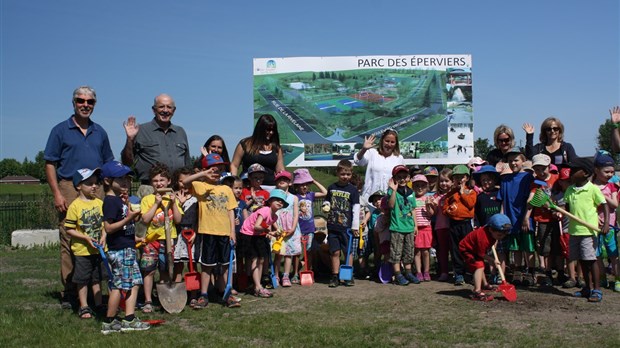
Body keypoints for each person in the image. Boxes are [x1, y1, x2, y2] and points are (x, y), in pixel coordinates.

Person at [44, 86, 113, 308]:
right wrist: (57, 193)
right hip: (69, 187)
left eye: (90, 102)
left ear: (94, 104)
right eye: (81, 101)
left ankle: (96, 290)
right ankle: (70, 291)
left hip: (96, 187)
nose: (85, 105)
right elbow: (50, 163)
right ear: (73, 103)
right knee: (69, 237)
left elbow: (108, 162)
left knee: (98, 236)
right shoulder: (60, 130)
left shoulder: (100, 132)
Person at [182, 153, 240, 308]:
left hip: (225, 233)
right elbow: (184, 182)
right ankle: (204, 294)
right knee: (207, 265)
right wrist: (202, 174)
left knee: (226, 265)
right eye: (212, 170)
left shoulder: (226, 189)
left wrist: (232, 232)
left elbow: (230, 211)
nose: (216, 172)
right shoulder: (200, 186)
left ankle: (227, 294)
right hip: (207, 232)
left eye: (219, 169)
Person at [100, 161, 150, 333]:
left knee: (134, 283)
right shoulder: (110, 202)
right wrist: (129, 218)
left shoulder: (119, 200)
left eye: (127, 179)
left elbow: (125, 225)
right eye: (120, 178)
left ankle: (129, 318)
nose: (125, 182)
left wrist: (132, 217)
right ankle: (110, 321)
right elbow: (109, 228)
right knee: (119, 285)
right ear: (107, 180)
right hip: (120, 250)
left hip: (128, 248)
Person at [121, 94, 191, 196]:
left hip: (176, 191)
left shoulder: (180, 132)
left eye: (169, 107)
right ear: (154, 110)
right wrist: (129, 140)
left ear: (174, 110)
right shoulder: (141, 130)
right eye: (161, 106)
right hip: (150, 191)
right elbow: (126, 162)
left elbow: (187, 166)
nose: (165, 110)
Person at [138, 162, 183, 313]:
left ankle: (163, 297)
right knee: (149, 270)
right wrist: (156, 203)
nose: (159, 183)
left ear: (168, 181)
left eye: (162, 180)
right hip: (151, 241)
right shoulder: (147, 200)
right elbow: (145, 220)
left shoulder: (172, 198)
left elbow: (177, 220)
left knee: (165, 269)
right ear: (151, 182)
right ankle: (148, 300)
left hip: (169, 240)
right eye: (155, 181)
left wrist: (173, 203)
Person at [565, 157, 609, 302]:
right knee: (581, 260)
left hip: (588, 232)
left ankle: (597, 289)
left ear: (584, 173)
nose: (570, 172)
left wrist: (606, 223)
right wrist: (559, 213)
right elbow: (567, 209)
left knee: (591, 260)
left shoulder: (592, 189)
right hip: (574, 231)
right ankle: (587, 288)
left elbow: (604, 205)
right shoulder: (570, 190)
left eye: (573, 170)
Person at [64, 168, 105, 319]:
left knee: (97, 278)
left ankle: (99, 304)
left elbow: (104, 225)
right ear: (79, 186)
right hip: (82, 250)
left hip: (98, 250)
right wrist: (86, 238)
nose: (94, 186)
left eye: (95, 183)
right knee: (82, 279)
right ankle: (84, 306)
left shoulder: (100, 203)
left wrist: (104, 237)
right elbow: (69, 229)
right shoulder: (75, 206)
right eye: (89, 183)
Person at [239, 190, 289, 298]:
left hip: (257, 235)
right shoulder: (265, 210)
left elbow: (264, 229)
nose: (280, 203)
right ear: (270, 201)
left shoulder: (274, 216)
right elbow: (256, 226)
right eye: (277, 200)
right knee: (256, 259)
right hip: (248, 234)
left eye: (282, 202)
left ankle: (257, 285)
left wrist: (274, 233)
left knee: (261, 259)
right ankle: (258, 286)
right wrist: (268, 231)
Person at [499, 147, 535, 286]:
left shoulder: (528, 177)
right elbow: (502, 200)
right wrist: (502, 218)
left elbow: (532, 199)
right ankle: (518, 272)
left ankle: (530, 273)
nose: (513, 163)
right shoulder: (505, 180)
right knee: (515, 248)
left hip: (525, 219)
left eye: (516, 160)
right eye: (510, 161)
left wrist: (527, 217)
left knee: (528, 247)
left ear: (523, 161)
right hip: (510, 219)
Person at [323, 160, 360, 288]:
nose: (345, 177)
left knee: (347, 251)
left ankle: (348, 276)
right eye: (343, 174)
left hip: (347, 228)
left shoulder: (353, 190)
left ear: (351, 174)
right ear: (337, 173)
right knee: (335, 252)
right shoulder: (332, 188)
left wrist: (355, 226)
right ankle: (335, 276)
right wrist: (325, 206)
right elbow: (327, 201)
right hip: (333, 226)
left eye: (348, 174)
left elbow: (356, 208)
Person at [525, 154, 560, 287]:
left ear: (549, 167)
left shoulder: (556, 179)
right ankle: (547, 272)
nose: (540, 172)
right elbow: (531, 199)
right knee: (545, 247)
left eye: (543, 169)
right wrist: (534, 202)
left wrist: (555, 207)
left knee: (558, 247)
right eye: (537, 169)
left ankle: (561, 272)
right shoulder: (536, 183)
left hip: (558, 218)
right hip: (543, 219)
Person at [458, 213, 511, 301]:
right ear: (491, 229)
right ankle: (477, 292)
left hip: (475, 249)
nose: (501, 237)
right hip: (467, 250)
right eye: (499, 235)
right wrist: (492, 260)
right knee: (479, 266)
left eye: (503, 235)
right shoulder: (483, 238)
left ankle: (485, 285)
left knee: (480, 265)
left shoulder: (491, 233)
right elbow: (481, 254)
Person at [442, 164, 477, 285]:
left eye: (461, 177)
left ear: (466, 178)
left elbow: (471, 204)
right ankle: (458, 274)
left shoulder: (471, 192)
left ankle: (473, 273)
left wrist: (463, 193)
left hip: (466, 224)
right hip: (454, 224)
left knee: (469, 249)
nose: (459, 180)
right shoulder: (450, 193)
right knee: (455, 249)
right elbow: (444, 208)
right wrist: (448, 210)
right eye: (456, 177)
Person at [230, 114, 285, 188]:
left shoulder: (277, 148)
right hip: (248, 187)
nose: (271, 132)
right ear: (260, 129)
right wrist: (234, 183)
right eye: (268, 129)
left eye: (273, 130)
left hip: (270, 188)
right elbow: (234, 165)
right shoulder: (245, 144)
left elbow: (280, 170)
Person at [171, 166, 200, 306]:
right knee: (178, 266)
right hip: (178, 234)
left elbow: (198, 219)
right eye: (182, 181)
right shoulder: (174, 197)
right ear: (177, 182)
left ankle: (193, 294)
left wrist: (195, 232)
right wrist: (179, 204)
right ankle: (176, 293)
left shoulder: (196, 199)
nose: (185, 184)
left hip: (191, 235)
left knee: (192, 266)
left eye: (188, 181)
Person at [387, 165, 420, 285]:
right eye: (398, 177)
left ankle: (408, 272)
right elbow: (390, 205)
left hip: (409, 227)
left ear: (409, 178)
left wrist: (415, 225)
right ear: (394, 178)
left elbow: (413, 209)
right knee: (396, 252)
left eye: (404, 177)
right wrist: (394, 190)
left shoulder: (411, 193)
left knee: (409, 251)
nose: (402, 179)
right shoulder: (392, 191)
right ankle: (397, 273)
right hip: (397, 227)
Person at [591, 153, 619, 292]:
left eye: (612, 172)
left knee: (613, 254)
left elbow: (614, 204)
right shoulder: (590, 186)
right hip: (595, 226)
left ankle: (617, 278)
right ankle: (602, 278)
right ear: (596, 170)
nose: (609, 175)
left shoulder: (612, 186)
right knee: (598, 254)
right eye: (606, 172)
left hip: (611, 226)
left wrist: (603, 197)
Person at [354, 129, 405, 206]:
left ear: (396, 143)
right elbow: (358, 161)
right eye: (387, 141)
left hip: (389, 200)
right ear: (382, 141)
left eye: (392, 142)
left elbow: (402, 178)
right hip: (370, 199)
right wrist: (364, 149)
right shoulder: (372, 153)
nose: (389, 144)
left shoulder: (399, 158)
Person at [293, 169, 327, 276]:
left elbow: (325, 192)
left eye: (306, 184)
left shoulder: (310, 195)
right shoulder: (294, 197)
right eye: (301, 185)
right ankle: (295, 273)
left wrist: (314, 181)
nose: (304, 187)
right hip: (298, 229)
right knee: (297, 252)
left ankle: (308, 269)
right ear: (296, 186)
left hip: (310, 229)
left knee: (309, 251)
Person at [272, 171, 301, 287]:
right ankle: (276, 275)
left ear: (290, 183)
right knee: (278, 253)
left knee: (289, 254)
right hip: (278, 228)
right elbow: (272, 214)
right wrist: (276, 228)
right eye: (279, 179)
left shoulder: (294, 198)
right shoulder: (273, 195)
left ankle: (286, 275)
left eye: (285, 179)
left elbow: (295, 214)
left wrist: (293, 228)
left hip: (291, 229)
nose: (282, 181)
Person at [430, 168, 453, 281]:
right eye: (442, 181)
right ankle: (444, 272)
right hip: (441, 226)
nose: (444, 183)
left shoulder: (455, 194)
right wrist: (431, 205)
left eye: (447, 181)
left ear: (452, 181)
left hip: (454, 225)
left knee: (455, 250)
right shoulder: (436, 196)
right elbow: (433, 213)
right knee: (442, 251)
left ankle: (458, 272)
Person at [412, 175, 434, 282]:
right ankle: (418, 272)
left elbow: (431, 214)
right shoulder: (411, 198)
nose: (420, 188)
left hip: (426, 227)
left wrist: (428, 206)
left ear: (426, 187)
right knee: (416, 251)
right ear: (413, 187)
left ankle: (426, 271)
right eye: (417, 186)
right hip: (415, 228)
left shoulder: (428, 198)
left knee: (425, 251)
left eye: (422, 186)